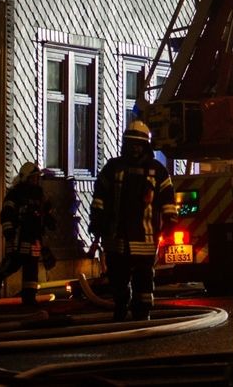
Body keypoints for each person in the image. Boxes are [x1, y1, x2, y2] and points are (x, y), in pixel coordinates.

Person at [90, 121, 178, 321]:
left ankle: (142, 311)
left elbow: (167, 199)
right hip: (116, 237)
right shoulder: (113, 168)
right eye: (131, 144)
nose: (135, 149)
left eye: (139, 145)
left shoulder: (158, 171)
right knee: (117, 278)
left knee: (144, 279)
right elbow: (99, 198)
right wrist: (97, 221)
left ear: (146, 146)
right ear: (125, 145)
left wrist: (170, 221)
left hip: (145, 238)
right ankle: (120, 307)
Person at [0, 162, 55, 305]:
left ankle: (29, 297)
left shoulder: (40, 195)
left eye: (37, 177)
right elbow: (7, 213)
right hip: (19, 235)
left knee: (32, 265)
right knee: (15, 262)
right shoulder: (15, 194)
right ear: (25, 177)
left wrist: (49, 220)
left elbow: (46, 212)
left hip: (34, 237)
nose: (35, 180)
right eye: (33, 177)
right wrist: (8, 230)